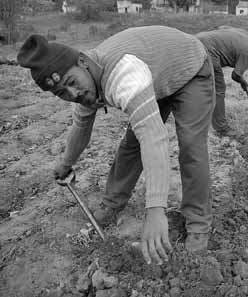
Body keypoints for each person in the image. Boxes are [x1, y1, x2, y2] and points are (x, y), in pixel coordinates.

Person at [17, 26, 215, 265]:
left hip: (189, 69)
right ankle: (112, 204)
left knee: (191, 147)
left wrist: (155, 210)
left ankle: (198, 223)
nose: (73, 93)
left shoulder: (124, 76)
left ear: (83, 62)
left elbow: (154, 138)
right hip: (154, 74)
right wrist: (65, 163)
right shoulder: (85, 84)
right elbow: (81, 128)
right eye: (62, 93)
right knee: (131, 146)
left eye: (71, 82)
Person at [196, 27, 248, 135]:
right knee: (219, 89)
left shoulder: (247, 35)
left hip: (198, 38)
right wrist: (243, 82)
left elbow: (223, 28)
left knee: (197, 84)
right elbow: (236, 75)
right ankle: (221, 128)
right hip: (208, 50)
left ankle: (198, 114)